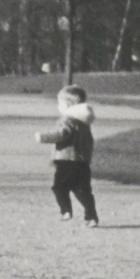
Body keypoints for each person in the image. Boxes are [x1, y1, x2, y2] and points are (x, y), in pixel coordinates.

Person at [37, 84, 98, 226]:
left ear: (68, 105)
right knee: (82, 190)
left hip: (66, 159)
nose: (58, 107)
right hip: (82, 161)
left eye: (60, 103)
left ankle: (66, 211)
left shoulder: (67, 120)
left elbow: (61, 134)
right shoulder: (85, 122)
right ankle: (91, 216)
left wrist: (43, 137)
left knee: (59, 187)